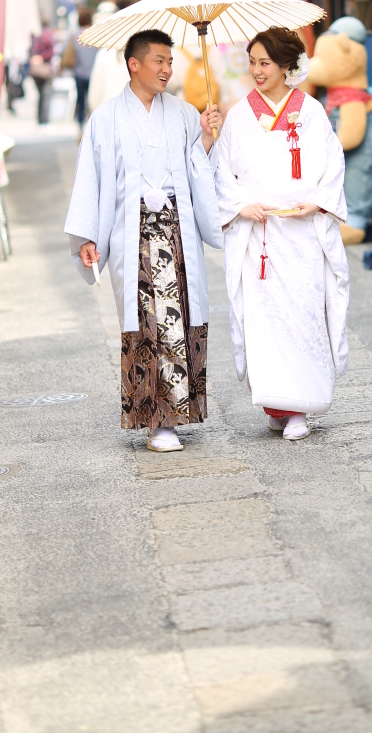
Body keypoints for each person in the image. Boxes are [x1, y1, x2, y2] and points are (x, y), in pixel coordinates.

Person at [65, 29, 223, 453]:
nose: (167, 69)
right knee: (147, 321)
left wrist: (207, 137)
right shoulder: (105, 118)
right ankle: (157, 420)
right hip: (132, 231)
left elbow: (198, 169)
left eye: (170, 61)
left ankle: (175, 414)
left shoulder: (186, 113)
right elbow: (91, 181)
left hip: (175, 228)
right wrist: (88, 236)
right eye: (158, 60)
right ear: (134, 64)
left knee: (179, 316)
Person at [215, 27, 349, 441]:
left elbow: (332, 161)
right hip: (261, 234)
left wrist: (320, 201)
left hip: (302, 231)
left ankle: (300, 409)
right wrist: (240, 204)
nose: (256, 70)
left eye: (265, 63)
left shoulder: (309, 110)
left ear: (287, 66)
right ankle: (276, 403)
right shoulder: (237, 116)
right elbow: (223, 170)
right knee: (265, 321)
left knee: (303, 315)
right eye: (252, 62)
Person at [62, 6, 98, 124]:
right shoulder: (96, 34)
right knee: (93, 101)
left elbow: (69, 52)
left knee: (81, 101)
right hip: (93, 73)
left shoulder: (76, 35)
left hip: (79, 73)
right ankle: (92, 123)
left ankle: (81, 126)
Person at [29, 23, 55, 125]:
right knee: (46, 95)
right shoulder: (47, 35)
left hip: (36, 67)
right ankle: (44, 120)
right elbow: (51, 52)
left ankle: (40, 119)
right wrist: (43, 57)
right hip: (45, 67)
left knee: (41, 95)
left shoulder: (34, 36)